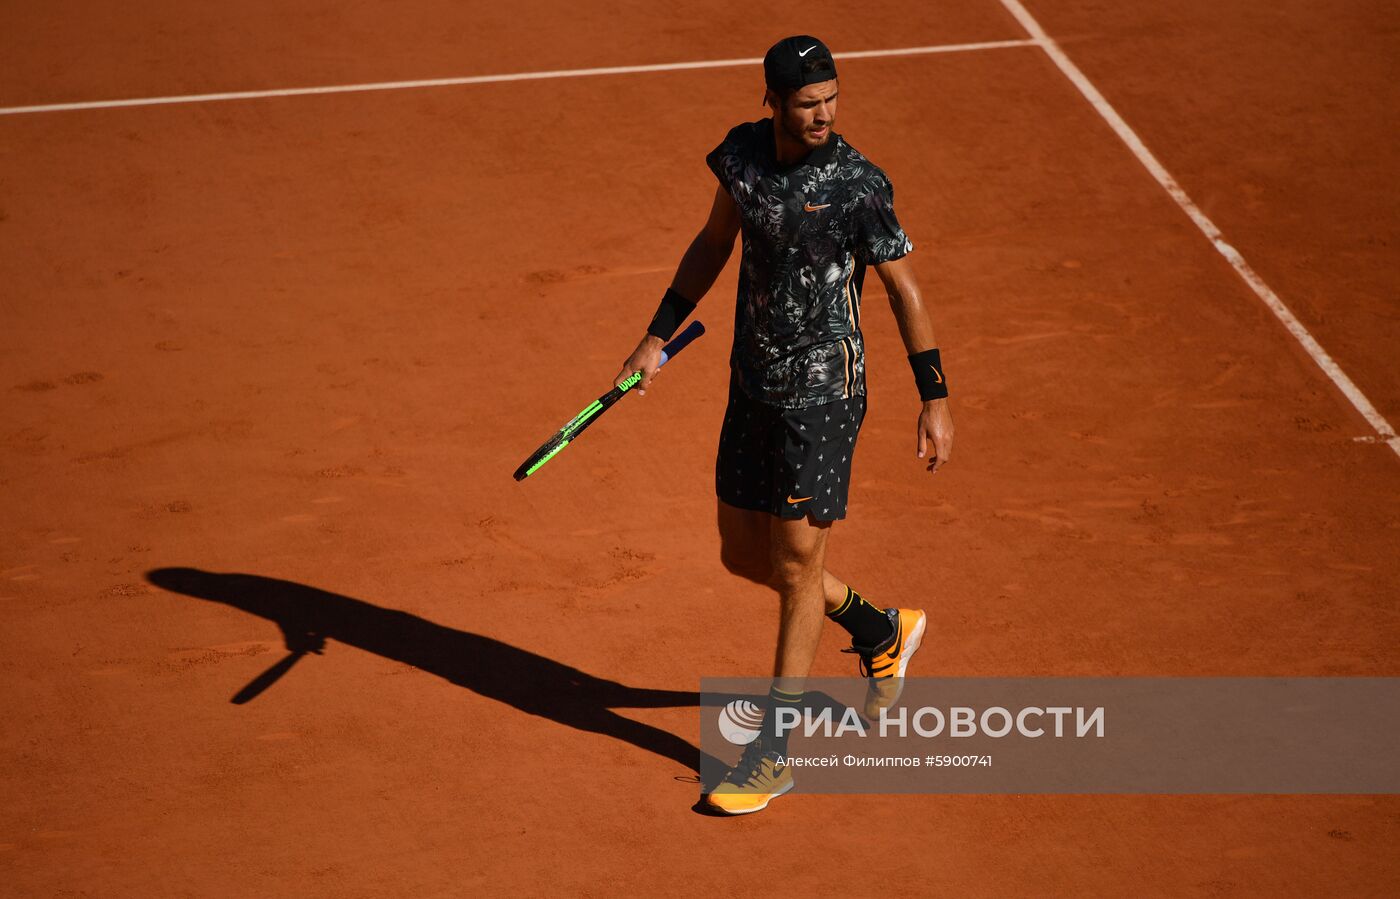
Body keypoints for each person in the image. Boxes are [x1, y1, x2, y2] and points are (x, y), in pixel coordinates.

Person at [614, 35, 955, 815]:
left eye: (832, 98)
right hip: (753, 385)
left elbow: (904, 289)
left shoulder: (858, 184)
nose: (824, 114)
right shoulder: (742, 158)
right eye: (807, 103)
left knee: (798, 562)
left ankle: (773, 750)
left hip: (827, 394)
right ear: (771, 101)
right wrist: (655, 335)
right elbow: (712, 244)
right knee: (746, 554)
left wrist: (934, 397)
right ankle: (878, 628)